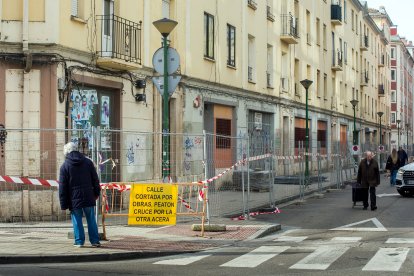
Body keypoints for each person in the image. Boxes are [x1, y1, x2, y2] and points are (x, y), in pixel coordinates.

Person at [59, 142, 101, 247]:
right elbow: (95, 180)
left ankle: (79, 242)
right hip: (88, 196)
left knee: (77, 220)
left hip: (74, 199)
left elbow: (62, 187)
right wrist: (96, 193)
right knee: (91, 219)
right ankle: (95, 241)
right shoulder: (88, 162)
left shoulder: (65, 166)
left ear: (66, 152)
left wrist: (63, 204)